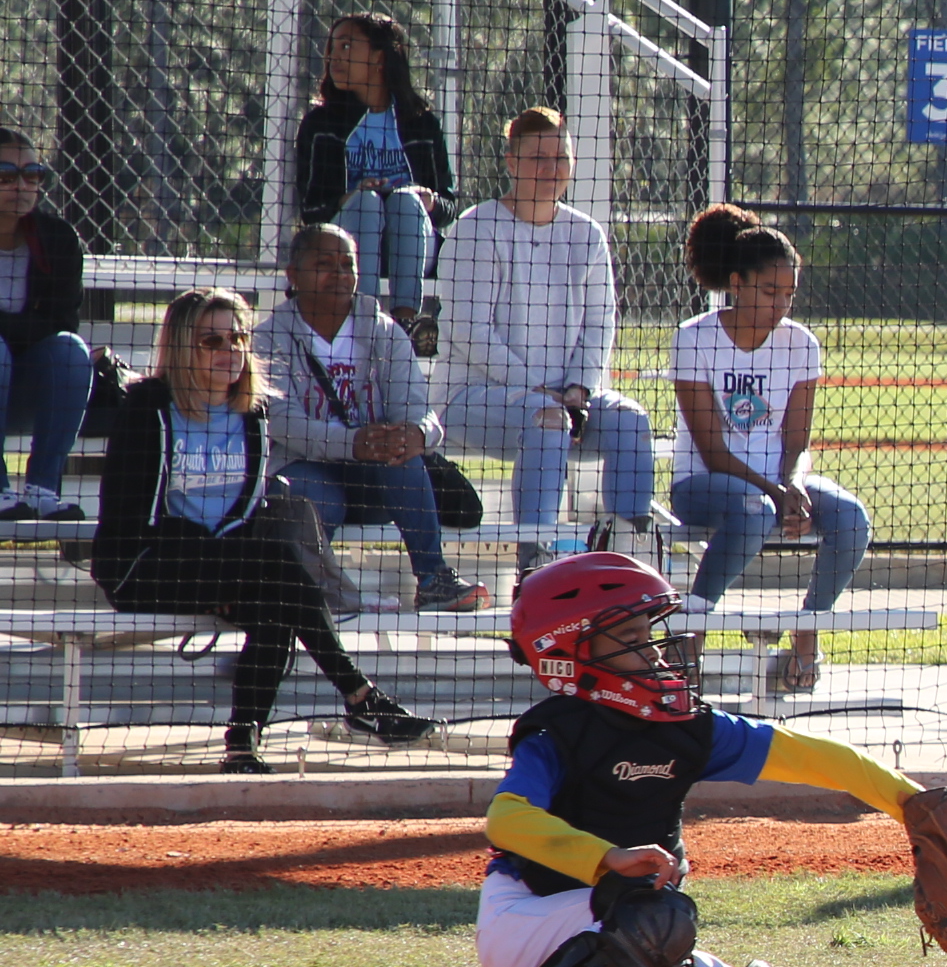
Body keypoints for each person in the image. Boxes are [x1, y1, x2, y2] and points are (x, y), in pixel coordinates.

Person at [439, 550, 924, 967]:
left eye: (650, 633)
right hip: (527, 922)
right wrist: (607, 858)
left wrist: (913, 805)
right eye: (629, 636)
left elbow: (810, 756)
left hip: (617, 934)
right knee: (656, 919)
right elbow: (507, 820)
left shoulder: (684, 728)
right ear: (570, 652)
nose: (653, 651)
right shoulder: (560, 731)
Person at [90, 287, 436, 773]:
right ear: (183, 348)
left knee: (277, 605)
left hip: (226, 564)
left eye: (238, 338)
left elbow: (245, 510)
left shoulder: (253, 413)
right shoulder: (148, 410)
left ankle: (243, 744)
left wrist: (227, 570)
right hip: (143, 565)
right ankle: (361, 698)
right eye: (212, 341)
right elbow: (132, 520)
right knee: (276, 569)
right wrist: (224, 569)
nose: (230, 350)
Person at [437, 104, 661, 565]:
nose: (551, 169)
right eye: (538, 157)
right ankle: (534, 566)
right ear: (511, 161)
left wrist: (579, 387)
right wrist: (539, 390)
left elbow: (601, 324)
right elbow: (468, 331)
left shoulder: (587, 234)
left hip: (567, 399)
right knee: (546, 417)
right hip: (470, 398)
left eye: (561, 158)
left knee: (630, 421)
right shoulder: (475, 229)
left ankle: (628, 563)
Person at [668, 209, 872, 698]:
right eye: (769, 292)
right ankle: (690, 628)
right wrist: (775, 493)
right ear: (737, 284)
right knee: (754, 512)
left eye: (789, 295)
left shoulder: (801, 345)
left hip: (774, 486)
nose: (781, 305)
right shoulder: (694, 338)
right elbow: (712, 451)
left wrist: (795, 483)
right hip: (703, 486)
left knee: (851, 518)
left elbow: (797, 440)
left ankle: (808, 627)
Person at [255, 223, 487, 613]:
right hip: (304, 469)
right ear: (293, 275)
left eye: (348, 264)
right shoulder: (267, 337)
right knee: (308, 501)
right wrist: (354, 442)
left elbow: (419, 411)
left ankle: (434, 580)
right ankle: (304, 599)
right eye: (324, 264)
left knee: (403, 458)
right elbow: (280, 421)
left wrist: (417, 435)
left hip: (377, 478)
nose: (340, 274)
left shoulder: (385, 332)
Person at [289, 12, 451, 340]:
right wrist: (347, 198)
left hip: (413, 245)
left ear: (379, 57)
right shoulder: (321, 125)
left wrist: (430, 201)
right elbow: (311, 210)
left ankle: (406, 325)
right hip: (347, 246)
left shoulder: (422, 123)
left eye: (347, 47)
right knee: (365, 204)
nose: (334, 57)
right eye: (332, 48)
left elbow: (449, 207)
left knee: (405, 201)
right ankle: (364, 323)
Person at [0, 126, 93, 521]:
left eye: (32, 174)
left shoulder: (59, 239)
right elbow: (44, 321)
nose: (22, 186)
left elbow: (63, 322)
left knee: (71, 352)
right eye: (6, 175)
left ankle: (42, 490)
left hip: (23, 386)